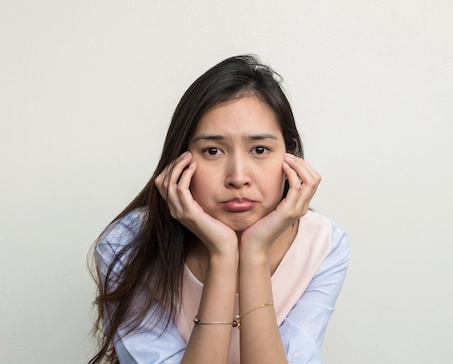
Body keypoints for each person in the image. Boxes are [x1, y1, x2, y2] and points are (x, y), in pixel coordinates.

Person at [89, 55, 350, 364]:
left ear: (290, 156)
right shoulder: (126, 245)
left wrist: (253, 254)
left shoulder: (323, 245)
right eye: (212, 151)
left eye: (260, 150)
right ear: (180, 159)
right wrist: (223, 254)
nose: (238, 177)